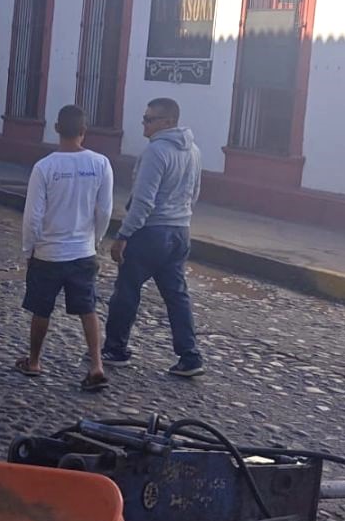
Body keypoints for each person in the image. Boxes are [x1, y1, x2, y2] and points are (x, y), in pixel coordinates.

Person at [103, 97, 205, 377]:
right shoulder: (194, 150)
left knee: (126, 290)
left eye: (149, 119)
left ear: (168, 122)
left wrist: (123, 235)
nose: (144, 124)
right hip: (180, 231)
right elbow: (194, 193)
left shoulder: (156, 152)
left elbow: (143, 201)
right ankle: (190, 355)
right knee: (177, 296)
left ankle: (115, 349)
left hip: (151, 232)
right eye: (144, 118)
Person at [16, 105, 114, 391]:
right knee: (88, 309)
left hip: (48, 252)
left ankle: (34, 361)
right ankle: (96, 366)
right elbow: (105, 210)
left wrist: (29, 248)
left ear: (56, 129)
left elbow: (32, 215)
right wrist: (95, 240)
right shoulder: (101, 164)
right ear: (84, 131)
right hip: (83, 251)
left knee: (41, 310)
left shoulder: (45, 167)